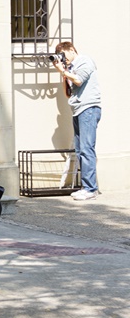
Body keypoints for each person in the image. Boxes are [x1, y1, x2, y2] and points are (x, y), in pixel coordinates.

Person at [51, 42, 102, 201]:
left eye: (63, 55)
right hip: (78, 110)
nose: (63, 59)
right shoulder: (71, 67)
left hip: (88, 109)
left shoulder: (85, 61)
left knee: (87, 148)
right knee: (80, 150)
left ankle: (90, 189)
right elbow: (69, 92)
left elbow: (79, 80)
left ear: (71, 50)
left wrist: (63, 71)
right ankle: (86, 186)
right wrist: (64, 72)